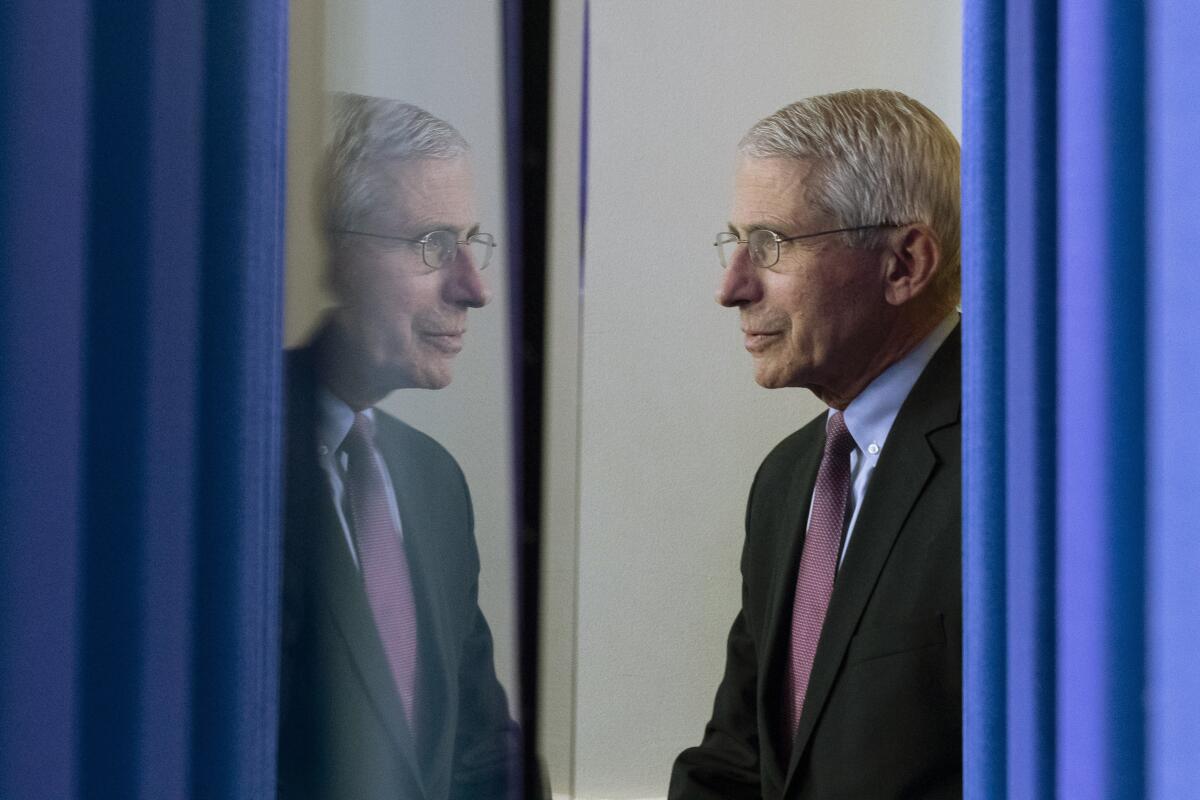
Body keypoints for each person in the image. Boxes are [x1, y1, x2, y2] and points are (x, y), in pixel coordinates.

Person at [669, 89, 962, 799]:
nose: (732, 286)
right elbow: (740, 758)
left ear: (904, 264)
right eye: (733, 243)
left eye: (769, 245)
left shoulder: (1025, 463)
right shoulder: (789, 478)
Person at [278, 94, 517, 800]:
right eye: (433, 246)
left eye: (472, 243)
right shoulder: (230, 464)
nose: (474, 288)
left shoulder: (435, 483)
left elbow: (476, 752)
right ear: (336, 253)